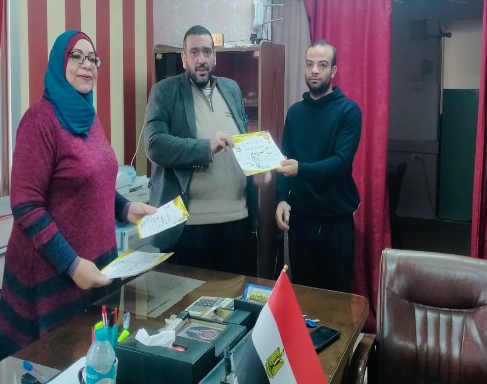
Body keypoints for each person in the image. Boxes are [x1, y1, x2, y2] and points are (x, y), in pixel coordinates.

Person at [0, 30, 156, 360]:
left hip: (98, 268)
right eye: (76, 56)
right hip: (54, 274)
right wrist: (70, 264)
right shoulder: (39, 121)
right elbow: (26, 204)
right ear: (59, 63)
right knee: (55, 365)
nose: (87, 65)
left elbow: (94, 181)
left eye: (92, 59)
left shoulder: (88, 118)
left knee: (96, 362)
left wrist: (125, 208)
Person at [144, 25, 257, 275]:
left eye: (207, 52)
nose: (201, 59)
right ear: (183, 57)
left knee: (233, 299)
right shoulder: (165, 91)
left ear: (215, 56)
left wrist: (260, 168)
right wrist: (205, 147)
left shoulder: (231, 89)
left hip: (236, 221)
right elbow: (155, 145)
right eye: (194, 52)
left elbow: (242, 139)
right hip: (189, 228)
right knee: (188, 299)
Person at [275, 39, 361, 293]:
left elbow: (340, 163)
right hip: (301, 220)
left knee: (336, 298)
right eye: (309, 64)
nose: (314, 70)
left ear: (333, 71)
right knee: (305, 295)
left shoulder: (348, 111)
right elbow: (284, 159)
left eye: (322, 65)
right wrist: (281, 199)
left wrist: (301, 170)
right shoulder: (295, 113)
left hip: (336, 221)